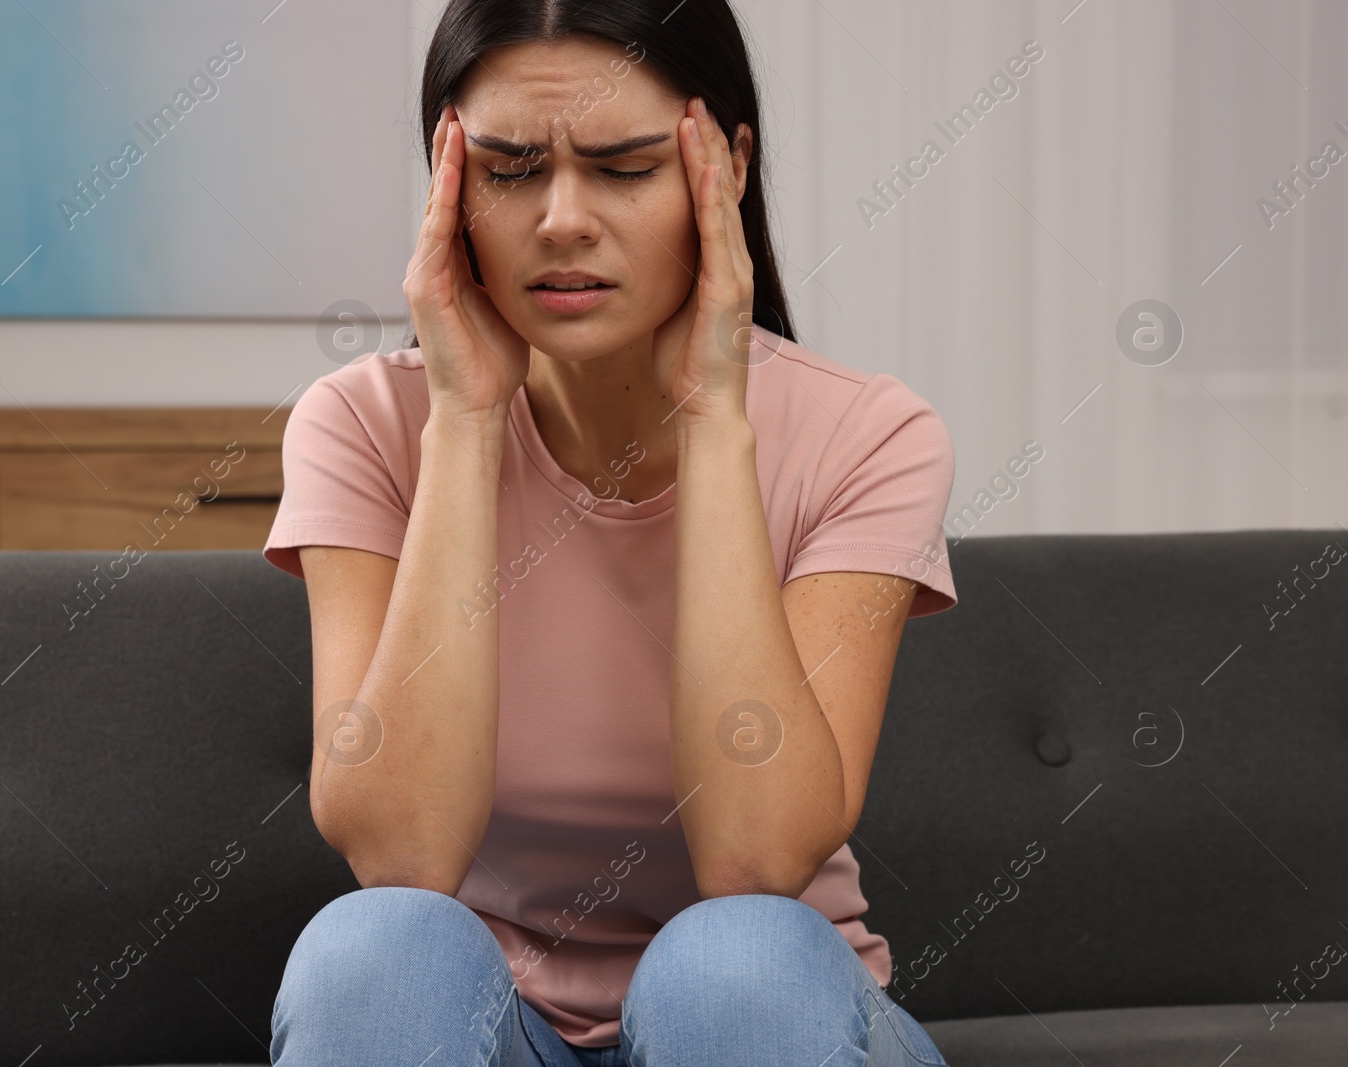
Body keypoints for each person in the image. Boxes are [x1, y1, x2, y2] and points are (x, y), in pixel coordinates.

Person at [262, 1, 957, 1063]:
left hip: (767, 1023)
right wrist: (464, 421)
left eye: (625, 167)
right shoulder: (364, 423)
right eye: (508, 170)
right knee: (371, 947)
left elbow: (756, 859)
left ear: (721, 169)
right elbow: (398, 851)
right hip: (497, 1031)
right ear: (448, 184)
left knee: (734, 965)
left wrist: (717, 422)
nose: (561, 219)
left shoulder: (869, 434)